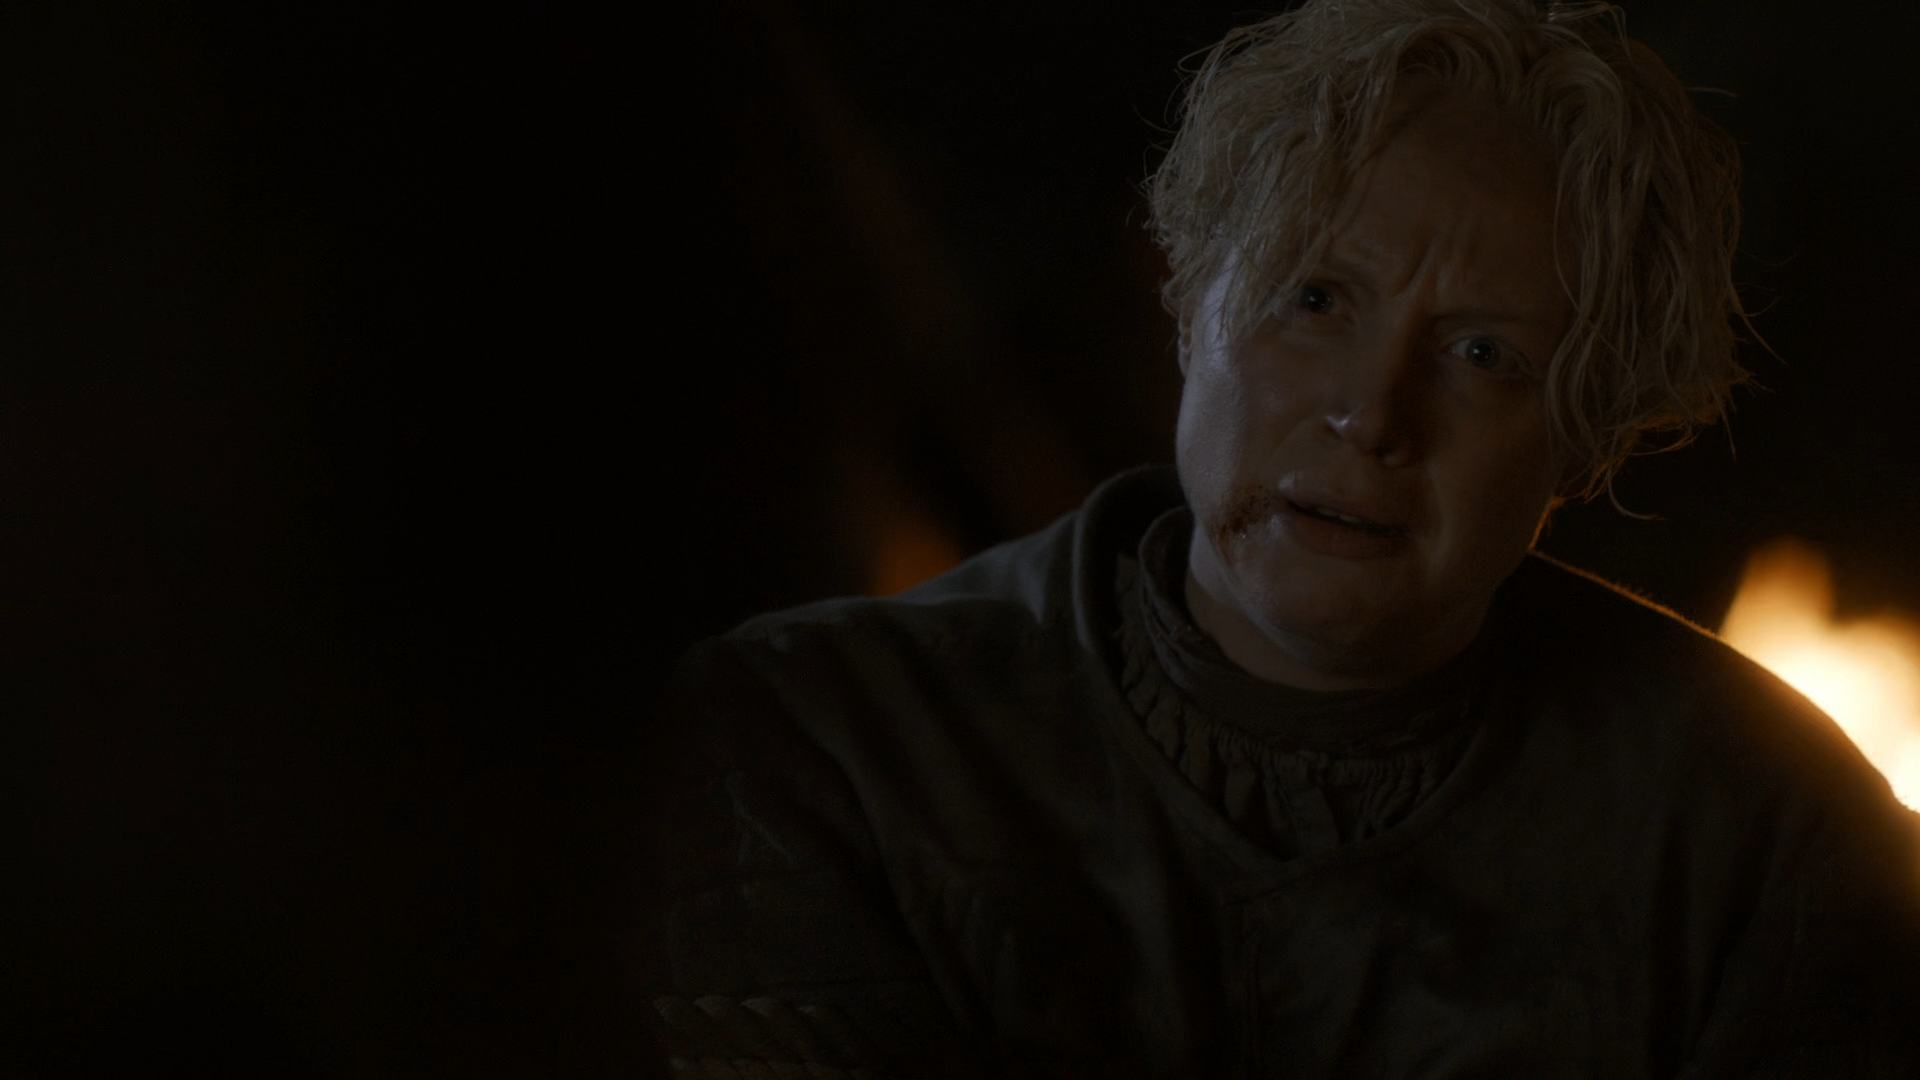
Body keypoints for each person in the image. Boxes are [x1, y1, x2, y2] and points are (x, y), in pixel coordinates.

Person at [643, 0, 1920, 1075]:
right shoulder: (825, 744)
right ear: (1188, 303)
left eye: (1484, 354)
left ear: (1588, 444)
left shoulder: (1769, 844)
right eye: (1314, 299)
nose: (1373, 413)